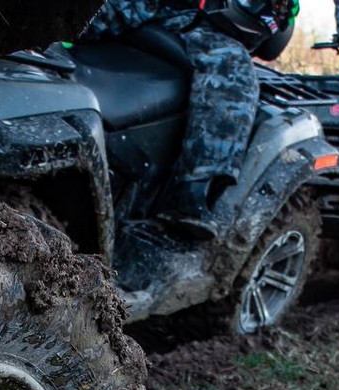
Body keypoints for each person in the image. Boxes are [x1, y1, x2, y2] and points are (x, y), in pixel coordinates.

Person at [80, 0, 297, 238]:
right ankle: (192, 192)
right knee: (232, 70)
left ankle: (192, 192)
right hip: (162, 22)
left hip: (184, 24)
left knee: (231, 73)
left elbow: (273, 36)